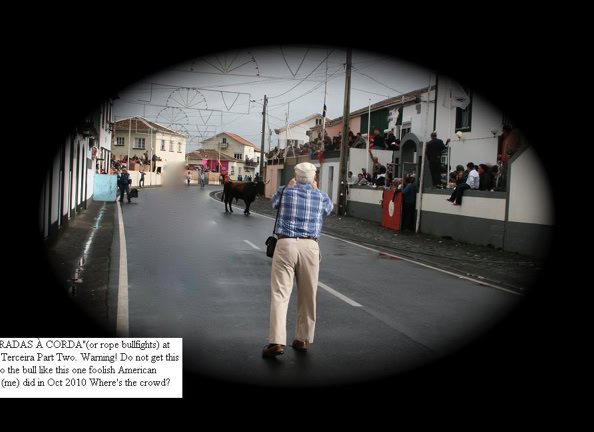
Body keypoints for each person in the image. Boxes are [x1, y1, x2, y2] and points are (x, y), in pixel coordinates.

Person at [262, 162, 333, 358]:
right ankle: (302, 339)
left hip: (285, 244)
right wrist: (315, 189)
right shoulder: (321, 196)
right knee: (308, 294)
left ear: (295, 176)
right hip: (310, 246)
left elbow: (274, 203)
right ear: (314, 178)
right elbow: (329, 210)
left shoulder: (284, 191)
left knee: (280, 294)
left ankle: (276, 341)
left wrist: (290, 186)